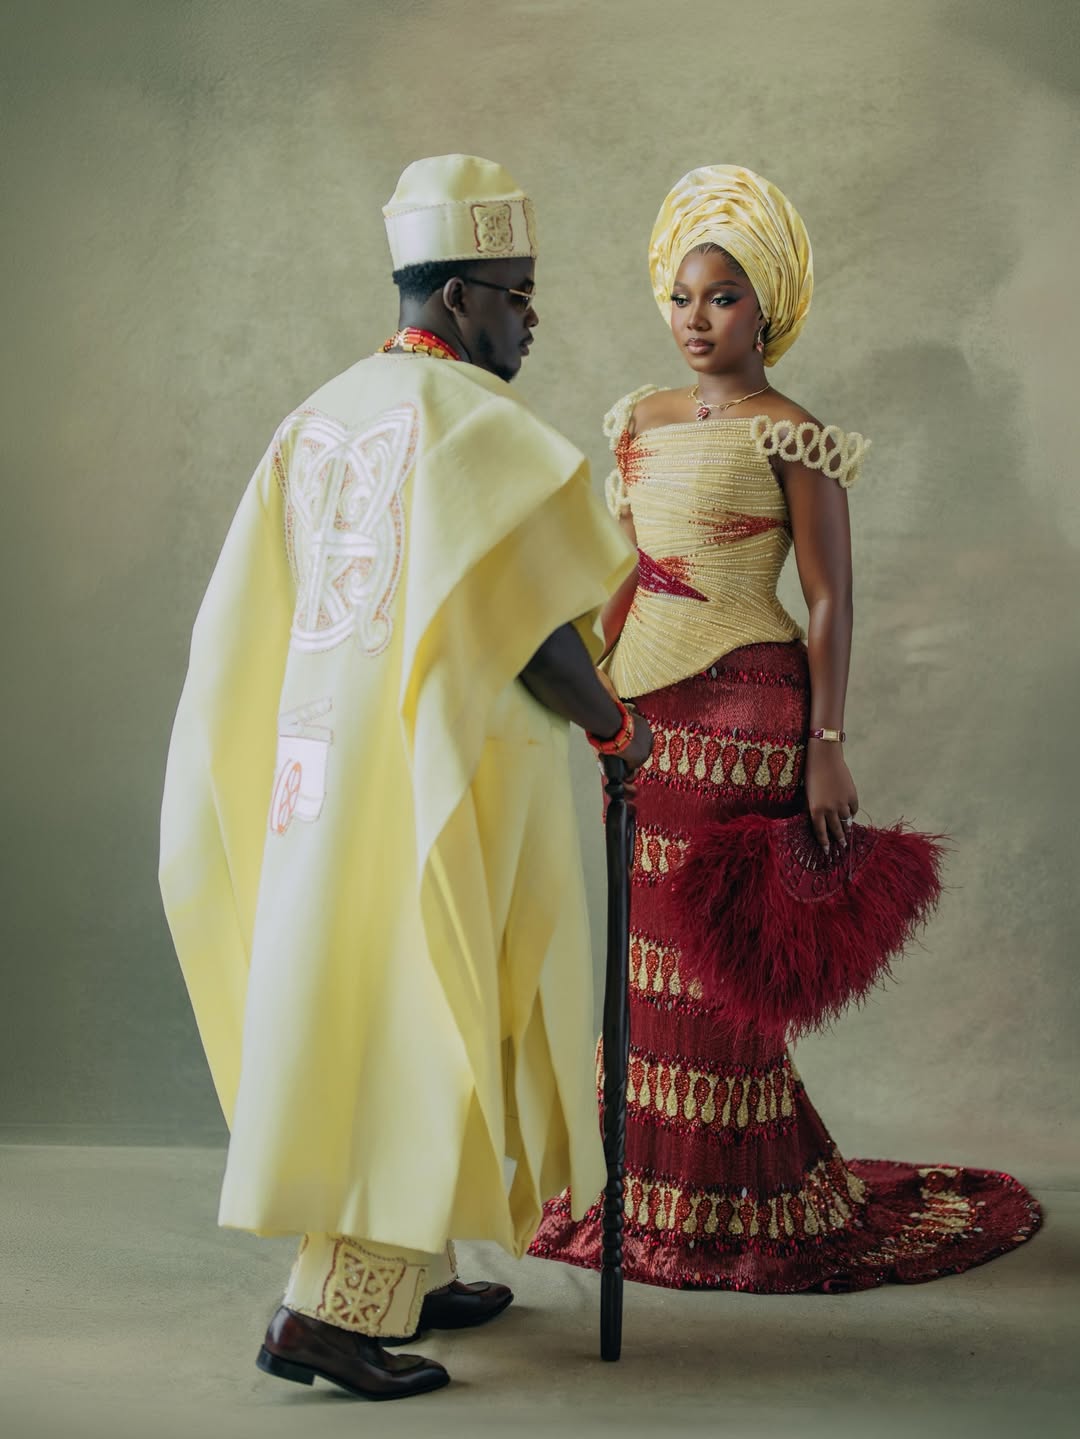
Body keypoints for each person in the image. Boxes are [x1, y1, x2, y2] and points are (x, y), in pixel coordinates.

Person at [159, 154, 651, 1401]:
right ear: (456, 294)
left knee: (379, 1000)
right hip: (449, 782)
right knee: (421, 1012)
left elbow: (242, 627)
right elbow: (537, 625)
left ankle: (415, 1267)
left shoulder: (314, 416)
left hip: (331, 776)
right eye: (520, 294)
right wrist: (613, 724)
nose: (532, 319)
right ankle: (326, 1312)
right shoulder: (470, 424)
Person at [529, 164, 1040, 1292]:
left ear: (770, 305)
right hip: (643, 710)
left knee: (719, 959)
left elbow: (828, 598)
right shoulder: (636, 421)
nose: (695, 321)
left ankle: (728, 1199)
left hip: (752, 705)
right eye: (679, 296)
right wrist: (594, 687)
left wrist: (829, 742)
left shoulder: (796, 435)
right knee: (642, 946)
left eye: (721, 297)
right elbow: (624, 569)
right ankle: (644, 1190)